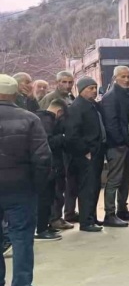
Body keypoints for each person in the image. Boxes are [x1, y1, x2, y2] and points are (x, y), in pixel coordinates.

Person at [0, 74, 51, 286]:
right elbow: (43, 158)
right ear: (14, 94)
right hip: (21, 189)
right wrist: (37, 187)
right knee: (21, 241)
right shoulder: (29, 119)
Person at [64, 77, 106, 233]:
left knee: (94, 187)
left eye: (95, 87)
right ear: (81, 90)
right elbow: (72, 134)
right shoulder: (76, 107)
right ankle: (86, 222)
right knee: (86, 188)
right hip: (86, 155)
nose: (94, 91)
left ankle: (91, 217)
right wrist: (85, 151)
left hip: (97, 151)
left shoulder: (93, 105)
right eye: (90, 88)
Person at [101, 66, 129, 228]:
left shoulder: (126, 94)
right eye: (123, 76)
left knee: (126, 179)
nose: (126, 79)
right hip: (117, 146)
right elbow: (111, 123)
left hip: (127, 144)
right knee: (115, 179)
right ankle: (109, 214)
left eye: (128, 76)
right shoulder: (111, 96)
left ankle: (122, 209)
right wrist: (121, 142)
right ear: (115, 77)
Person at [40, 71, 77, 225]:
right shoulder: (49, 99)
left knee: (70, 181)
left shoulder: (71, 98)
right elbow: (43, 122)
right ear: (57, 83)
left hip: (67, 146)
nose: (67, 85)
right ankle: (55, 217)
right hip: (55, 147)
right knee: (57, 184)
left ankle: (68, 212)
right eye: (64, 82)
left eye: (70, 82)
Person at [35, 99, 69, 241]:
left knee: (49, 198)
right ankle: (41, 229)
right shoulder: (47, 121)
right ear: (59, 112)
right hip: (46, 167)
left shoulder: (40, 118)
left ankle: (46, 225)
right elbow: (48, 143)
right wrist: (63, 137)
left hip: (46, 166)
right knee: (45, 198)